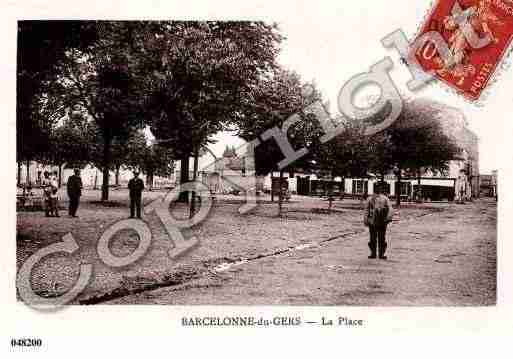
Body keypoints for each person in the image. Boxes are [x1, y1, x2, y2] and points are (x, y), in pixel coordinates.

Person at [363, 182, 393, 259]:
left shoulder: (385, 198)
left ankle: (381, 254)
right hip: (372, 221)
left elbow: (390, 208)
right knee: (372, 238)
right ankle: (373, 253)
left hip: (382, 221)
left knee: (382, 238)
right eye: (376, 187)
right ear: (374, 188)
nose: (378, 189)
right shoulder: (370, 199)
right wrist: (366, 219)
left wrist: (388, 218)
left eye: (379, 188)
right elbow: (366, 209)